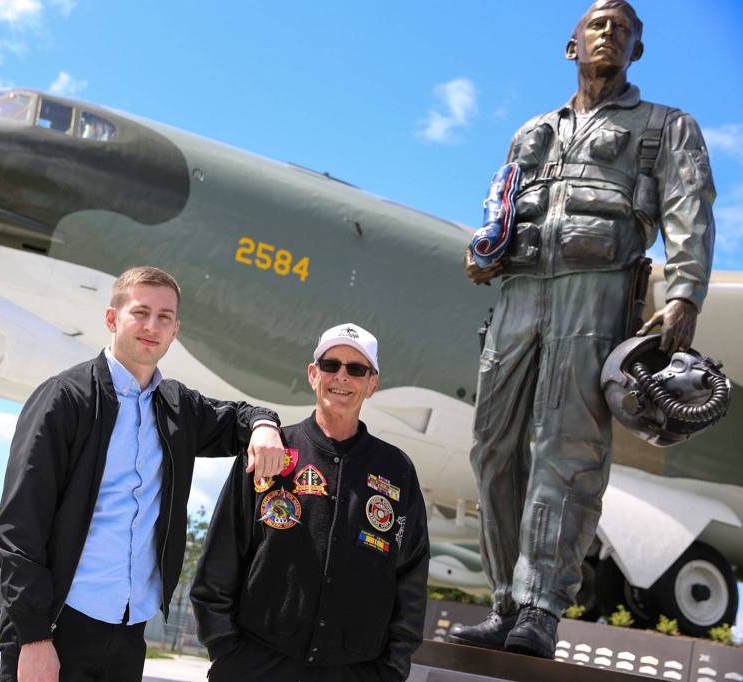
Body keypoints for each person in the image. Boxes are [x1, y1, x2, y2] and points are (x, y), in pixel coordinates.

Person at [451, 0, 716, 659]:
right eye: (597, 24)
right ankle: (506, 602)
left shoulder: (665, 126)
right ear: (572, 47)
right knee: (492, 448)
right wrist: (483, 251)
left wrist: (684, 293)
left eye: (624, 29)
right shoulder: (530, 132)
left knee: (567, 451)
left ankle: (541, 606)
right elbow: (502, 204)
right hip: (516, 296)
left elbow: (690, 206)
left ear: (637, 52)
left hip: (596, 292)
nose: (610, 34)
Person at [0, 266, 286, 682]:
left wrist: (264, 426)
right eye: (140, 312)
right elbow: (17, 530)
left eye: (164, 317)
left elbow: (240, 416)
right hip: (58, 626)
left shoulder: (178, 408)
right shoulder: (66, 399)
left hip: (129, 631)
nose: (152, 326)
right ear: (113, 319)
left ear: (175, 329)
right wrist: (35, 638)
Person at [192, 323, 429, 682]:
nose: (342, 377)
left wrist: (390, 671)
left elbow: (411, 578)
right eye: (331, 365)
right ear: (312, 374)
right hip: (256, 665)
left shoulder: (396, 470)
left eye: (357, 369)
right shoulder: (271, 452)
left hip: (354, 672)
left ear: (373, 384)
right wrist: (226, 651)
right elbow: (220, 559)